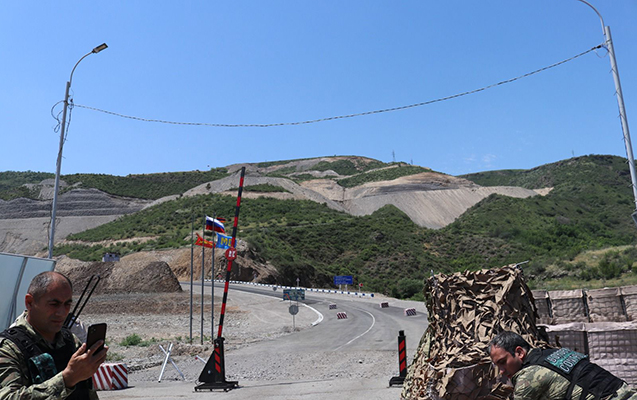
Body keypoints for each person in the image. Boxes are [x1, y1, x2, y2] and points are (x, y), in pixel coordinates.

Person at [0, 271, 108, 399]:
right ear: (29, 302)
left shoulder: (70, 341)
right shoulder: (8, 349)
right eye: (54, 304)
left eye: (67, 304)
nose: (61, 312)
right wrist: (67, 379)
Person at [488, 331, 637, 400]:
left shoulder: (529, 377)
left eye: (503, 362)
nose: (501, 371)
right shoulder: (554, 353)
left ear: (519, 353)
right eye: (497, 365)